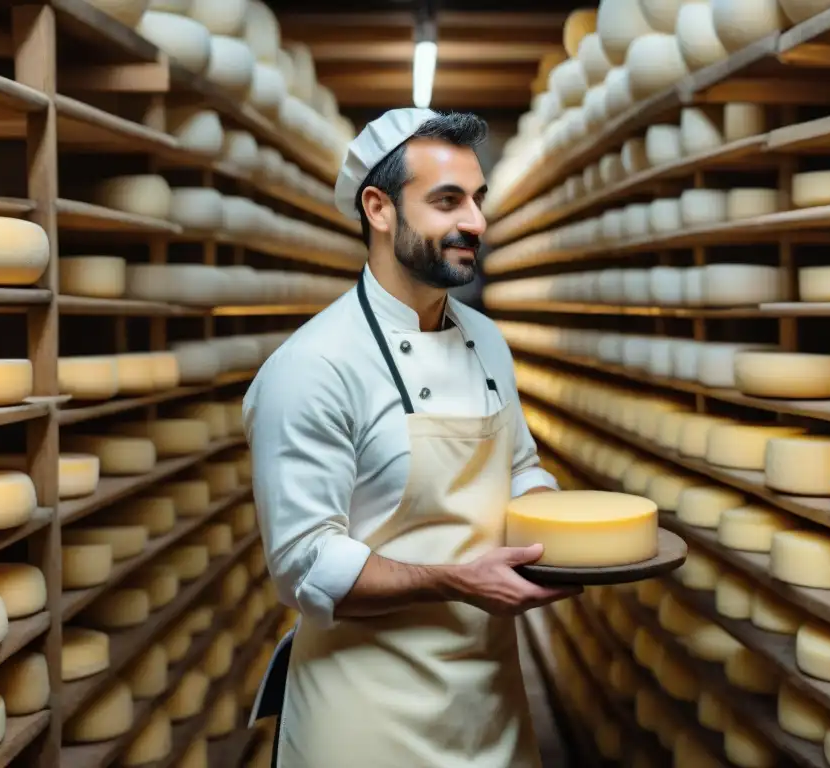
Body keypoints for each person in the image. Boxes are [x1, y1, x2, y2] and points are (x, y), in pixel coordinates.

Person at [243, 107, 579, 768]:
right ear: (379, 208)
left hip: (487, 702)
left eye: (477, 201)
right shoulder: (313, 365)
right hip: (365, 714)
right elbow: (305, 563)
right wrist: (454, 580)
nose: (476, 223)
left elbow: (519, 466)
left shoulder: (485, 340)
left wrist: (560, 523)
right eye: (447, 201)